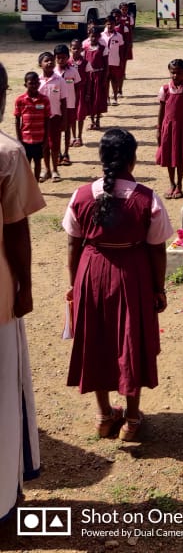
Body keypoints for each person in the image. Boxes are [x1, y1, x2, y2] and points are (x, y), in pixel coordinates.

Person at [62, 128, 173, 441]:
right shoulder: (147, 199)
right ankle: (133, 419)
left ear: (101, 159)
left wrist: (75, 285)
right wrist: (158, 288)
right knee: (131, 340)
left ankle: (103, 414)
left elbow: (73, 244)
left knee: (96, 339)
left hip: (91, 272)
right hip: (131, 274)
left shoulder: (81, 195)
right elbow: (157, 248)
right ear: (133, 160)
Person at [0, 62, 45, 521]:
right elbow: (17, 233)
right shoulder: (7, 154)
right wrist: (25, 287)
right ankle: (4, 499)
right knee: (3, 392)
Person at [156, 59, 183, 199]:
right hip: (168, 127)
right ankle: (171, 183)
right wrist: (159, 129)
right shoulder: (165, 89)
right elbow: (161, 110)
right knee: (169, 156)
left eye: (178, 73)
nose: (175, 76)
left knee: (180, 157)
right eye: (173, 73)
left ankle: (180, 185)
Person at [14, 71, 51, 182]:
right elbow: (17, 119)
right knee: (27, 163)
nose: (34, 85)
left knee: (38, 162)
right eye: (31, 83)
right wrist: (19, 138)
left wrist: (46, 139)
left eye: (36, 83)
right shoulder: (20, 100)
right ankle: (28, 185)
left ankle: (35, 185)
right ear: (26, 84)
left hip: (39, 138)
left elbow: (47, 119)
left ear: (39, 84)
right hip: (25, 139)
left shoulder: (44, 100)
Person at [38, 50, 68, 181]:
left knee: (54, 145)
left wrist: (64, 119)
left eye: (51, 60)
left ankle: (55, 170)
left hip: (55, 116)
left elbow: (63, 101)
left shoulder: (59, 80)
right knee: (44, 145)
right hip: (41, 119)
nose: (50, 62)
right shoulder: (37, 81)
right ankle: (47, 170)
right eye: (46, 60)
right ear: (40, 64)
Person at [54, 44, 81, 166]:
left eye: (64, 57)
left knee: (67, 129)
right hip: (56, 106)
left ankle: (66, 153)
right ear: (55, 58)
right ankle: (58, 154)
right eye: (58, 57)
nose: (61, 60)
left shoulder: (73, 71)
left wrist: (74, 101)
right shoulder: (53, 73)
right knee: (57, 130)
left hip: (70, 105)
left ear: (67, 57)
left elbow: (77, 87)